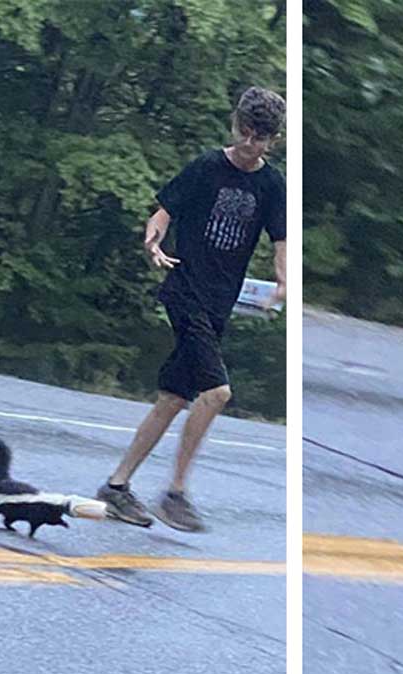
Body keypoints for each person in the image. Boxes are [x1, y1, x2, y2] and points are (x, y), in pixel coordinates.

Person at [96, 86, 286, 532]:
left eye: (260, 138)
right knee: (217, 393)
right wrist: (153, 240)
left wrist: (283, 277)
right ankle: (176, 494)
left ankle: (116, 487)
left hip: (221, 300)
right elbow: (164, 210)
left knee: (173, 398)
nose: (250, 144)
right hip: (185, 291)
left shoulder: (272, 184)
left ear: (271, 140)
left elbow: (281, 239)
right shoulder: (206, 167)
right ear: (235, 125)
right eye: (245, 133)